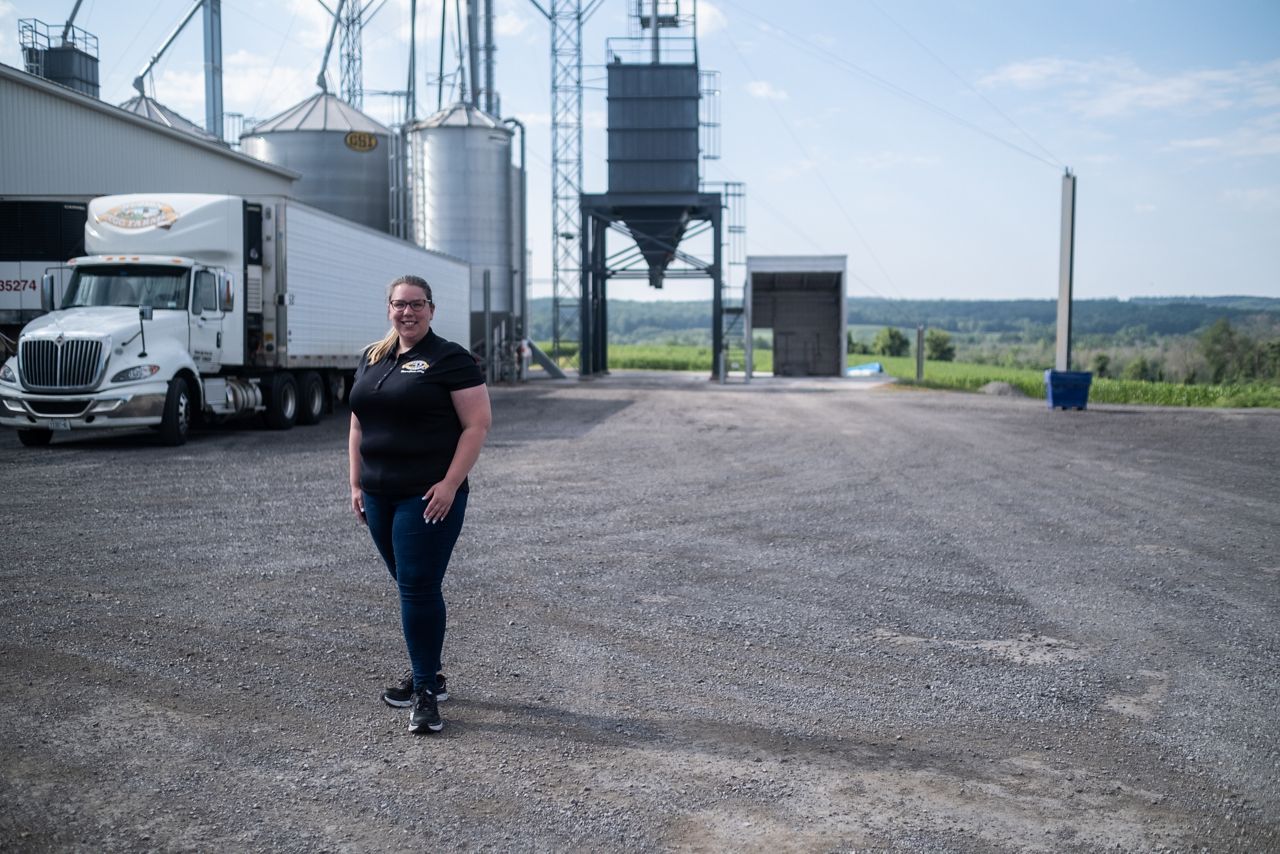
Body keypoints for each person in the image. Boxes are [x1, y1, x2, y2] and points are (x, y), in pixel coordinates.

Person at [348, 274, 491, 734]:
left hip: (427, 495)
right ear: (388, 308)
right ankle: (429, 670)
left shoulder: (450, 359)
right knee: (412, 585)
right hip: (377, 494)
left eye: (416, 305)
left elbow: (477, 425)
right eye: (399, 304)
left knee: (417, 586)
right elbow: (358, 424)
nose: (407, 312)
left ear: (432, 309)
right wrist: (356, 483)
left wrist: (451, 483)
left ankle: (426, 693)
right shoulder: (374, 356)